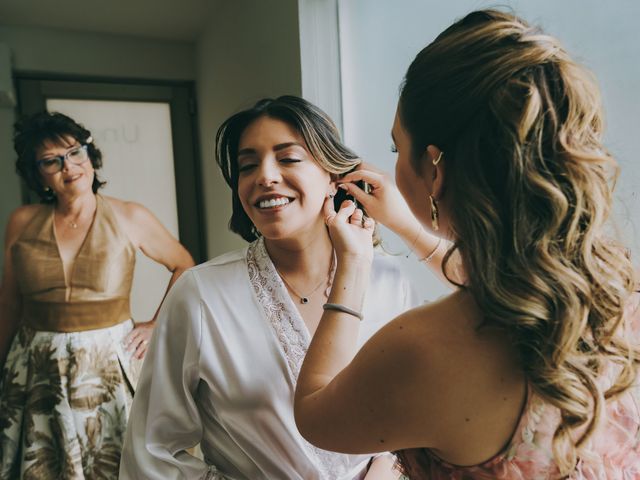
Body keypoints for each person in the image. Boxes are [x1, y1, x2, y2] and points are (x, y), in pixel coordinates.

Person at [294, 9, 640, 479]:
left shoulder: (422, 350)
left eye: (397, 148)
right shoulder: (618, 295)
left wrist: (354, 265)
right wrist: (407, 223)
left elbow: (314, 413)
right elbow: (498, 281)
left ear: (434, 166)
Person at [119, 96, 427, 480]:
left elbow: (417, 411)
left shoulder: (389, 282)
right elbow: (152, 451)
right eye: (247, 165)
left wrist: (386, 469)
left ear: (335, 176)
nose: (265, 176)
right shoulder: (201, 294)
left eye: (288, 158)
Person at [0, 111, 195, 479]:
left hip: (107, 365)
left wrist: (156, 324)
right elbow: (8, 302)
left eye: (75, 152)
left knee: (117, 464)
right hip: (34, 367)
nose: (68, 166)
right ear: (37, 173)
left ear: (90, 155)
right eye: (50, 161)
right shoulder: (21, 222)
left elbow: (185, 265)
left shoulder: (129, 216)